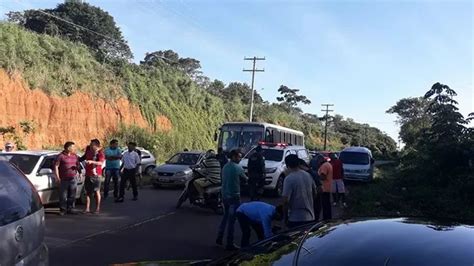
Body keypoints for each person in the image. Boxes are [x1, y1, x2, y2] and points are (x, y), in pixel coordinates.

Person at [216, 149, 248, 251]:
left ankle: (220, 236)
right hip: (234, 196)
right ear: (233, 157)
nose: (240, 158)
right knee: (232, 220)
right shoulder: (237, 167)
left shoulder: (225, 166)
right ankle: (229, 243)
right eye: (239, 156)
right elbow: (245, 179)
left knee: (225, 217)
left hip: (224, 195)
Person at [281, 154, 318, 228]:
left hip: (295, 219)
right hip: (310, 217)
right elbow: (315, 193)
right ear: (298, 163)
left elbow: (285, 201)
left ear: (287, 165)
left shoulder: (289, 179)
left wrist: (285, 218)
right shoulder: (308, 175)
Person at [54, 141, 81, 216]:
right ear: (68, 148)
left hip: (73, 178)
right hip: (63, 179)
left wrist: (80, 172)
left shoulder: (75, 156)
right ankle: (63, 209)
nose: (74, 148)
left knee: (72, 194)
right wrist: (57, 177)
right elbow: (56, 166)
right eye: (73, 147)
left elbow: (78, 165)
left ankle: (70, 208)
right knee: (63, 195)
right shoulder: (60, 156)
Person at [80, 139, 105, 214]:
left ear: (97, 146)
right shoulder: (88, 151)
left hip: (96, 175)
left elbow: (101, 163)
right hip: (88, 174)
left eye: (92, 145)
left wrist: (92, 162)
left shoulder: (100, 153)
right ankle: (87, 208)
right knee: (88, 192)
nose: (91, 146)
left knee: (97, 191)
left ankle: (97, 208)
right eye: (90, 144)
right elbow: (82, 158)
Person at [318, 155, 334, 220]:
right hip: (328, 187)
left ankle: (326, 219)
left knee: (325, 205)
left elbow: (323, 176)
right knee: (327, 205)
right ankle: (328, 218)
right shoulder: (328, 164)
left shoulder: (324, 166)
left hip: (324, 188)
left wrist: (316, 177)